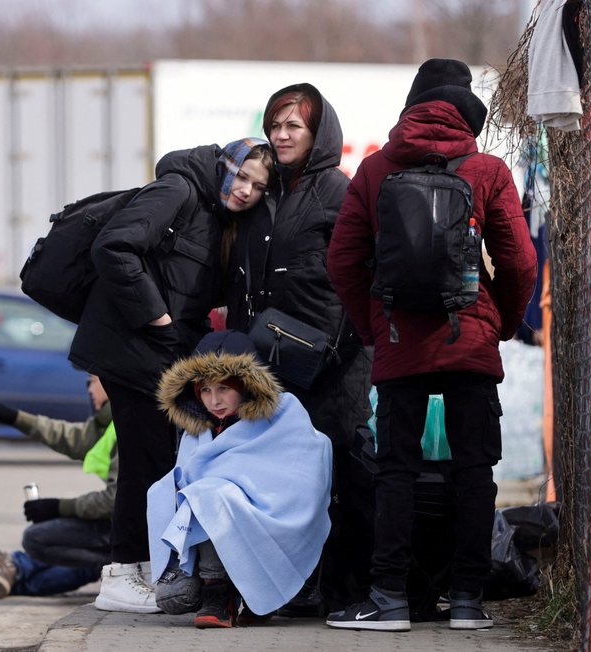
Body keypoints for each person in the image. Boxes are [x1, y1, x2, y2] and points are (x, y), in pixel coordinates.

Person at [326, 58, 538, 631]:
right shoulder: (487, 168)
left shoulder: (373, 171)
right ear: (467, 111)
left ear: (411, 107)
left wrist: (375, 328)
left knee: (395, 470)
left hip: (399, 340)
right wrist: (502, 323)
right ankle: (467, 601)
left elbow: (341, 260)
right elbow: (519, 259)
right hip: (469, 337)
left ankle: (390, 598)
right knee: (475, 471)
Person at [68, 138, 275, 613]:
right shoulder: (180, 190)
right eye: (242, 176)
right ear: (224, 165)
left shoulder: (216, 216)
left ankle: (138, 570)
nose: (246, 191)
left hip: (153, 353)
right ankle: (122, 574)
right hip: (129, 347)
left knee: (155, 459)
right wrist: (158, 317)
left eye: (258, 187)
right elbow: (114, 246)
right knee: (144, 462)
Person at [224, 83, 374, 615]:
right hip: (272, 365)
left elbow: (362, 279)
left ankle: (345, 592)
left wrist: (336, 352)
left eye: (294, 126)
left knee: (341, 480)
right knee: (279, 483)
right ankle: (287, 591)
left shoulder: (338, 191)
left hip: (334, 368)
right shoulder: (264, 194)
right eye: (275, 125)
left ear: (318, 133)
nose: (281, 135)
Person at [147, 330, 332, 628]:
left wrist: (236, 486)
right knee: (181, 492)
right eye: (205, 391)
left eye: (223, 389)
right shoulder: (200, 429)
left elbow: (302, 469)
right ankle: (214, 590)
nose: (214, 400)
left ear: (246, 385)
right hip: (216, 514)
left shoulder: (284, 413)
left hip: (272, 510)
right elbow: (188, 477)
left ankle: (232, 594)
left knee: (209, 494)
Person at [0, 375, 116, 601]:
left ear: (108, 381)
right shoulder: (111, 421)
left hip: (139, 531)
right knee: (86, 563)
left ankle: (12, 567)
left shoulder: (127, 422)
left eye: (91, 381)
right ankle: (8, 579)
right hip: (134, 527)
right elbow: (71, 437)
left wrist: (59, 507)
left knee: (37, 538)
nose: (89, 389)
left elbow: (117, 499)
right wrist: (12, 417)